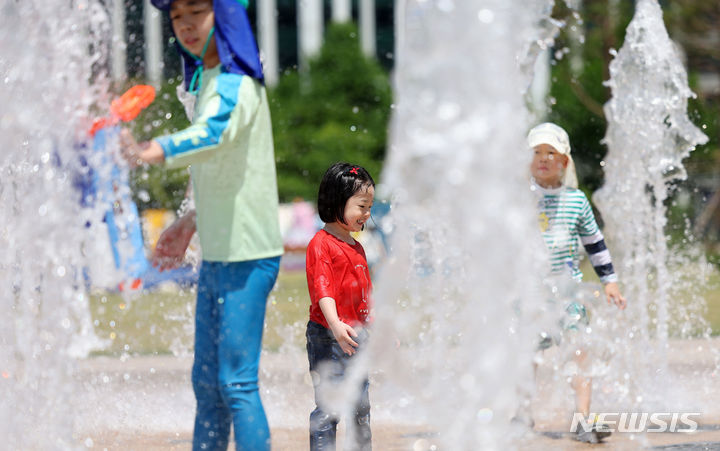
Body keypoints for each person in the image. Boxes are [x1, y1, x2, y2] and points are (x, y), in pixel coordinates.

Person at [120, 0, 283, 449]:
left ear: (225, 16)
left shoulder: (236, 83)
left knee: (235, 383)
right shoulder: (208, 79)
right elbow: (221, 167)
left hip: (248, 258)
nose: (186, 24)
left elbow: (213, 135)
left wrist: (150, 150)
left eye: (198, 11)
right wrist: (189, 221)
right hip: (219, 254)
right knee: (208, 386)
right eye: (176, 16)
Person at [528, 122, 627, 444]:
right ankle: (520, 414)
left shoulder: (576, 201)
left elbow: (595, 244)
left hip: (568, 294)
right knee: (524, 356)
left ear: (565, 161)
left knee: (580, 353)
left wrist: (609, 281)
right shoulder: (518, 198)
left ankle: (583, 419)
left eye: (551, 153)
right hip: (527, 294)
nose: (543, 159)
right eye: (536, 153)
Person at [305, 162, 375, 451]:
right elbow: (323, 289)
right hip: (327, 334)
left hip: (356, 335)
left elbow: (366, 295)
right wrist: (334, 324)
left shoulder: (356, 247)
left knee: (360, 404)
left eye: (370, 205)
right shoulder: (321, 244)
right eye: (361, 205)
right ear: (336, 202)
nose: (367, 213)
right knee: (329, 407)